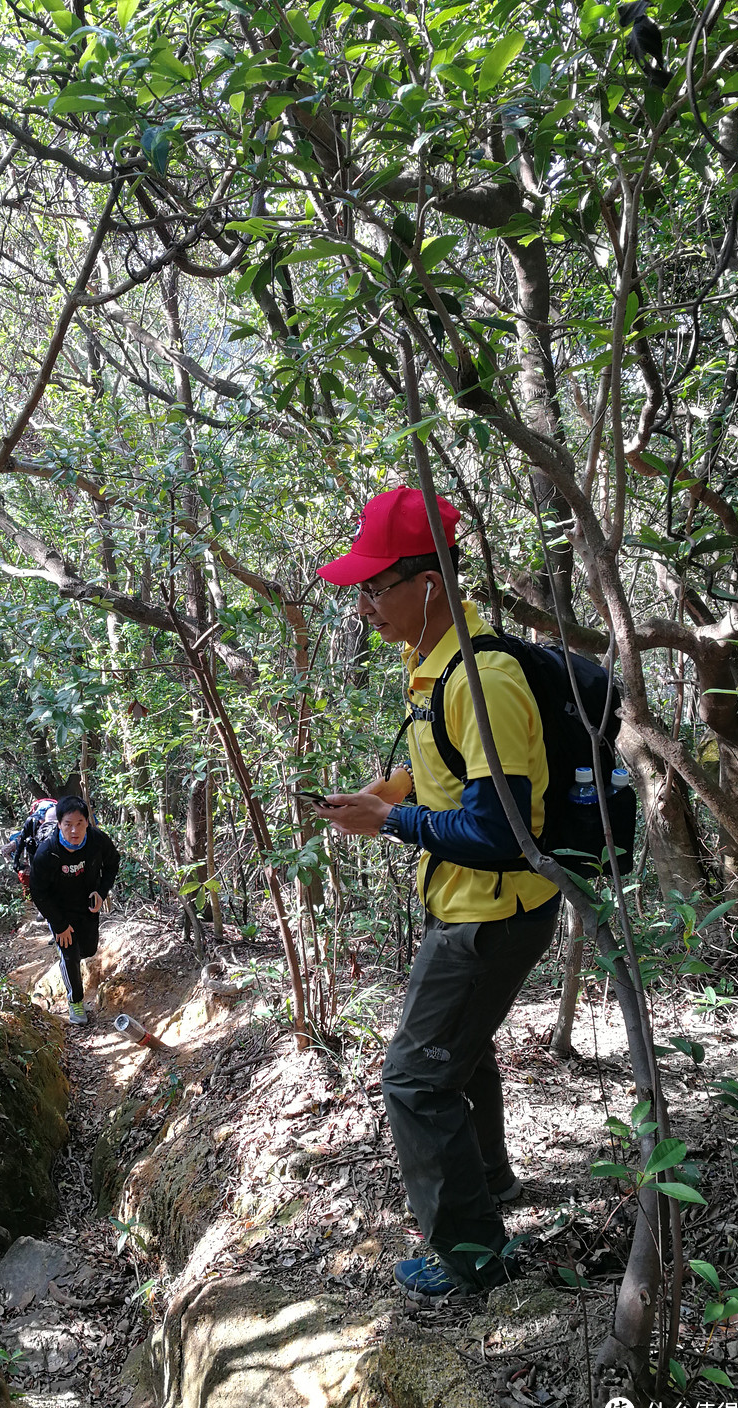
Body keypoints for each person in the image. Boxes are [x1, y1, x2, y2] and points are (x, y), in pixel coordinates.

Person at [313, 486, 560, 1297]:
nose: (365, 606)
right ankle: (491, 1185)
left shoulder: (480, 680)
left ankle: (472, 1258)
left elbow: (500, 832)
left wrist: (388, 823)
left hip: (490, 912)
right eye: (362, 590)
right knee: (459, 1050)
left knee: (415, 1080)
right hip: (467, 905)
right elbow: (441, 777)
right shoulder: (434, 667)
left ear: (433, 583)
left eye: (378, 587)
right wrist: (377, 795)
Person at [29, 796, 120, 1026]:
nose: (74, 830)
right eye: (68, 824)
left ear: (87, 823)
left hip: (88, 904)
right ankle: (76, 1002)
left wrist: (101, 891)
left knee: (88, 950)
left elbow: (112, 862)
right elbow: (38, 892)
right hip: (59, 909)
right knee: (69, 952)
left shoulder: (97, 840)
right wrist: (59, 924)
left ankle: (67, 958)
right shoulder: (47, 852)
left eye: (79, 823)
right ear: (59, 824)